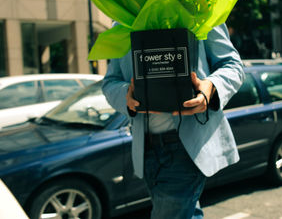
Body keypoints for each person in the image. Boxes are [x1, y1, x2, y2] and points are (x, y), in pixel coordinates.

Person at [102, 23, 245, 219]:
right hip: (146, 151)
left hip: (186, 148)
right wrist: (125, 95)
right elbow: (110, 81)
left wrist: (210, 87)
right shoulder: (122, 19)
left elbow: (233, 65)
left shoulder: (201, 6)